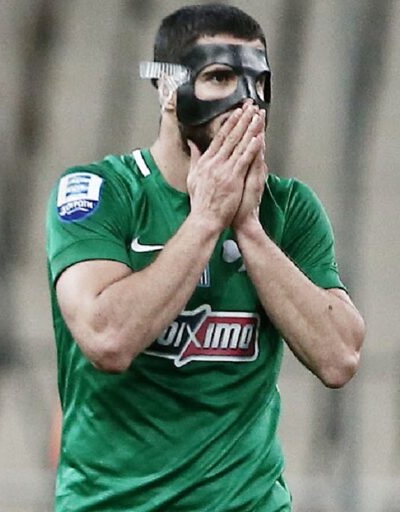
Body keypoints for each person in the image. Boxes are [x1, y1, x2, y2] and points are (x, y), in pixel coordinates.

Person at [44, 5, 365, 509]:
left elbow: (339, 356)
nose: (245, 101)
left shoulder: (289, 208)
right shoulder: (101, 193)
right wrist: (206, 219)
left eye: (259, 82)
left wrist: (249, 229)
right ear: (169, 89)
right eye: (219, 77)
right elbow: (107, 338)